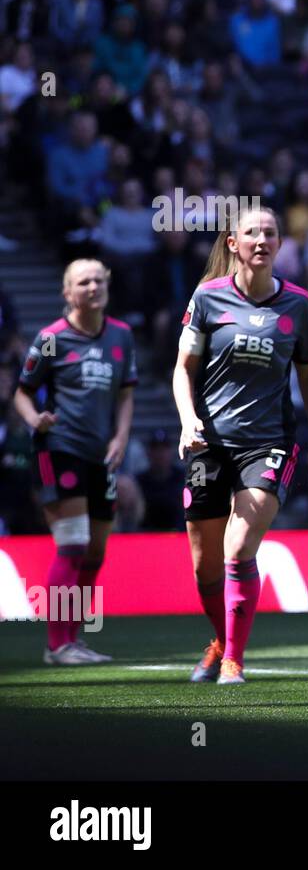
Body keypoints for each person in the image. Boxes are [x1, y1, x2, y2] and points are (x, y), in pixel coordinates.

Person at [173, 207, 308, 685]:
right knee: (205, 568)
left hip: (268, 442)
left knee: (238, 547)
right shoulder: (207, 297)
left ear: (280, 245)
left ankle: (234, 661)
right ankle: (221, 640)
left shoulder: (298, 305)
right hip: (208, 442)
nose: (262, 240)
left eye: (271, 233)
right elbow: (183, 369)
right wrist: (186, 422)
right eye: (252, 233)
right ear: (232, 243)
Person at [14, 259, 136, 665]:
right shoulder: (51, 339)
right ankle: (57, 645)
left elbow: (125, 394)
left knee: (96, 552)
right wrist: (36, 420)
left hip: (101, 454)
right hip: (60, 448)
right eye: (84, 282)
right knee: (73, 544)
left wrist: (120, 437)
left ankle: (74, 638)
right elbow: (22, 392)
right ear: (68, 292)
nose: (93, 287)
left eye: (99, 280)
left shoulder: (122, 335)